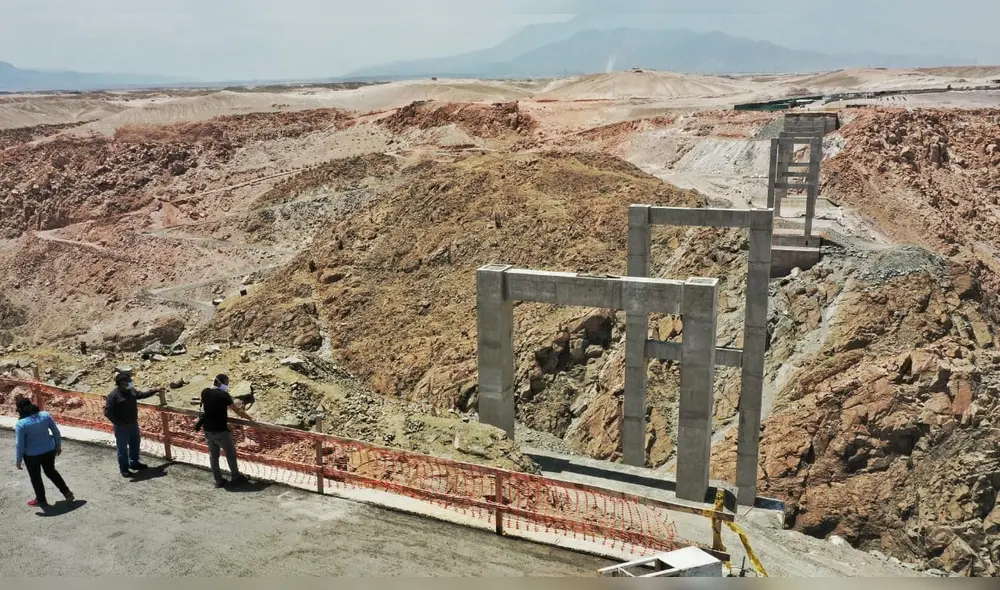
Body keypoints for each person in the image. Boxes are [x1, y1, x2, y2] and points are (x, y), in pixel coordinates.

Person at [104, 368, 165, 478]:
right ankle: (124, 469)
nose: (130, 383)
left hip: (133, 424)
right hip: (122, 427)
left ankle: (134, 463)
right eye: (128, 382)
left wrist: (155, 390)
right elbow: (107, 412)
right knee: (122, 449)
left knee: (135, 444)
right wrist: (118, 423)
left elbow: (141, 395)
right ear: (121, 384)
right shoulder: (113, 396)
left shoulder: (130, 390)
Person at [14, 397, 74, 508]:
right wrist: (58, 445)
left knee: (35, 477)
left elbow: (19, 444)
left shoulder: (21, 424)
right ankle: (67, 492)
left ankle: (41, 499)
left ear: (20, 409)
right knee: (51, 472)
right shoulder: (45, 415)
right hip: (49, 450)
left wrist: (18, 460)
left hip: (32, 456)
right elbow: (55, 431)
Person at [200, 374, 254, 488]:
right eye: (226, 384)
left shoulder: (205, 392)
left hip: (207, 429)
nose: (227, 386)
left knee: (213, 456)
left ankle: (218, 480)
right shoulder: (224, 395)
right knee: (230, 453)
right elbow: (237, 410)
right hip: (220, 430)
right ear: (220, 383)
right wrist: (250, 418)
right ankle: (235, 477)